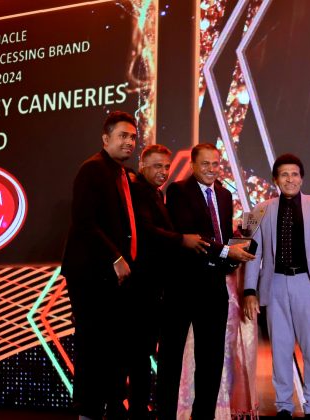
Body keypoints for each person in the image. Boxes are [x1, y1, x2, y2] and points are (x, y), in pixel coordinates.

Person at [156, 143, 254, 420]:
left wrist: (235, 254)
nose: (212, 169)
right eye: (206, 164)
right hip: (182, 286)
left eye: (216, 163)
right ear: (193, 165)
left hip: (214, 286)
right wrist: (227, 251)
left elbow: (222, 237)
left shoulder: (224, 194)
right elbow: (192, 236)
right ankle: (165, 415)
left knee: (211, 360)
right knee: (171, 358)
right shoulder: (178, 191)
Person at [243, 153, 310, 419]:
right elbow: (253, 253)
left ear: (302, 178)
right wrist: (250, 290)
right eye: (284, 174)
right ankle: (284, 405)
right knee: (280, 350)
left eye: (294, 174)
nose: (290, 179)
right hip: (275, 284)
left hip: (309, 284)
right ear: (275, 179)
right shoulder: (260, 209)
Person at [61, 110, 139, 420]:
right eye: (122, 136)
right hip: (92, 275)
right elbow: (84, 222)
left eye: (132, 137)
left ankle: (109, 408)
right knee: (92, 348)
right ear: (106, 139)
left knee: (114, 350)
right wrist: (115, 257)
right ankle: (88, 413)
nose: (129, 141)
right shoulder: (92, 169)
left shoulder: (123, 174)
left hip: (115, 279)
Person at [126, 144, 208, 419]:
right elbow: (145, 231)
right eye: (157, 166)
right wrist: (182, 239)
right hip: (140, 289)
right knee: (139, 357)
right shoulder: (138, 191)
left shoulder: (155, 193)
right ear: (142, 166)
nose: (163, 172)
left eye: (166, 167)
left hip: (153, 288)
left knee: (144, 355)